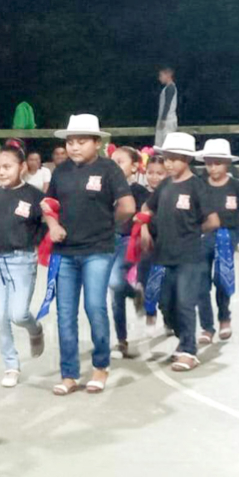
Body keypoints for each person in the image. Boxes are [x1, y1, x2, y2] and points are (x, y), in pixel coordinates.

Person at [45, 115, 135, 396]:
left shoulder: (109, 169)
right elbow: (48, 204)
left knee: (95, 306)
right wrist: (53, 225)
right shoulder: (60, 172)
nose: (74, 147)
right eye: (70, 142)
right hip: (65, 252)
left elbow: (128, 206)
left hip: (98, 250)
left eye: (81, 141)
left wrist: (109, 225)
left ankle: (100, 367)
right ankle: (69, 374)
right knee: (65, 314)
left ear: (97, 142)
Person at [147, 133, 220, 372]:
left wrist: (193, 232)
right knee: (166, 302)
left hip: (190, 255)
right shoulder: (166, 185)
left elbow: (213, 220)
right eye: (166, 158)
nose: (168, 163)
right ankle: (182, 338)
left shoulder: (196, 186)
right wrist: (143, 225)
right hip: (164, 254)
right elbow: (149, 206)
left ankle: (189, 350)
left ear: (187, 159)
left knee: (185, 301)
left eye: (174, 159)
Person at [0, 147, 46, 388]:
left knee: (18, 314)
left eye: (7, 167)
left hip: (22, 261)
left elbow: (46, 223)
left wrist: (36, 242)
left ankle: (34, 329)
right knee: (0, 316)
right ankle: (11, 365)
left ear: (22, 167)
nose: (2, 172)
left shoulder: (35, 196)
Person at [196, 139, 239, 344]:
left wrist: (235, 226)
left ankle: (224, 317)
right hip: (202, 237)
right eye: (209, 163)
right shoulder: (199, 184)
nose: (213, 167)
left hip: (226, 235)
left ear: (226, 164)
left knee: (222, 278)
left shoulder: (235, 185)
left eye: (217, 163)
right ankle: (206, 326)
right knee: (201, 283)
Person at [108, 146, 152, 358]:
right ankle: (121, 340)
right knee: (114, 295)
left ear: (134, 166)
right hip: (105, 241)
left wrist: (144, 231)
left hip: (128, 240)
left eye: (120, 161)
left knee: (116, 282)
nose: (114, 166)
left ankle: (136, 293)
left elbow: (146, 216)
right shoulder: (104, 189)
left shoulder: (141, 192)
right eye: (112, 161)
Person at [135, 155, 169, 327]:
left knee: (165, 281)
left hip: (168, 241)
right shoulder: (141, 193)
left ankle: (168, 315)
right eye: (150, 172)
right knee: (145, 276)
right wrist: (144, 229)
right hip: (147, 242)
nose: (154, 177)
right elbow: (140, 215)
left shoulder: (171, 192)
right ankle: (149, 311)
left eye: (159, 173)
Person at [155, 67, 179, 147]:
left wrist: (163, 119)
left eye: (161, 75)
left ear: (168, 75)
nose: (159, 78)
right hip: (165, 120)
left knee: (166, 144)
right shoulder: (167, 88)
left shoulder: (170, 88)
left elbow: (167, 104)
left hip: (167, 120)